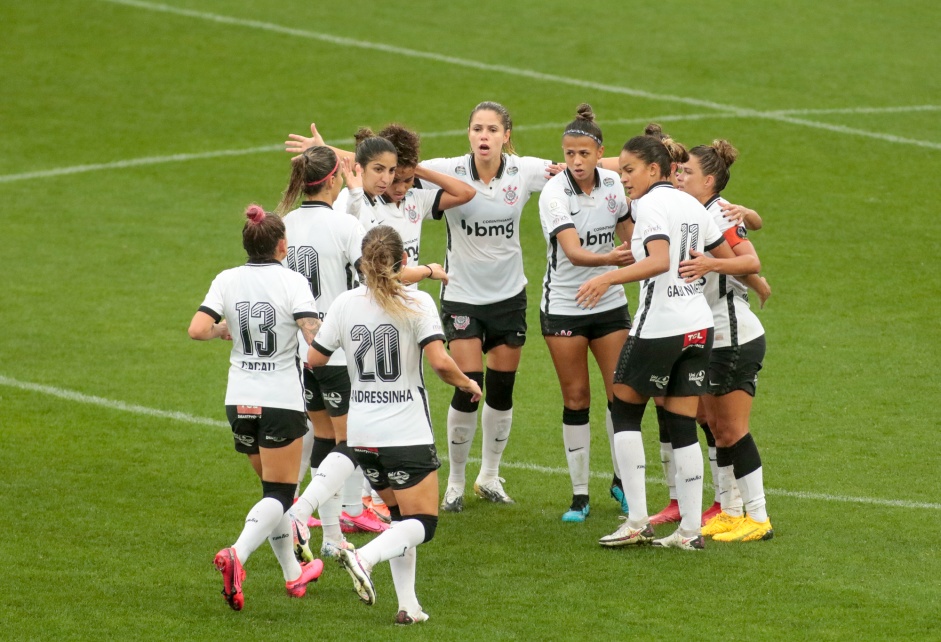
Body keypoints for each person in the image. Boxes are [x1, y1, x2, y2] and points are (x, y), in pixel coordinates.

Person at [577, 134, 759, 550]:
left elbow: (659, 261)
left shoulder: (654, 205)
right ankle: (690, 531)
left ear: (654, 170)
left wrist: (605, 277)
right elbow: (736, 257)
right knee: (681, 424)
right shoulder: (692, 204)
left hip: (660, 326)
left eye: (629, 170)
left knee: (623, 409)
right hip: (699, 327)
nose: (623, 178)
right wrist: (712, 264)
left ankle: (637, 521)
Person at [307, 225, 482, 624]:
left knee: (401, 521)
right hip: (406, 432)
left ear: (362, 266)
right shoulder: (416, 302)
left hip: (362, 435)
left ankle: (409, 606)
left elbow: (315, 359)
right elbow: (439, 362)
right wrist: (468, 382)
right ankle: (364, 557)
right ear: (404, 262)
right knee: (424, 523)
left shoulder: (344, 304)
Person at [422, 101, 559, 510]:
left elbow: (578, 166)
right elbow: (387, 163)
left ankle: (490, 476)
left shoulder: (524, 170)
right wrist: (339, 155)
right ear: (468, 134)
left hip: (508, 297)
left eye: (492, 129)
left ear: (506, 137)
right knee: (468, 389)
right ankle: (457, 483)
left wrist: (649, 157)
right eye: (477, 128)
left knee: (501, 391)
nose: (484, 136)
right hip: (462, 295)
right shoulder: (447, 169)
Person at [188, 204, 325, 611]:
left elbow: (197, 330)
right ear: (282, 245)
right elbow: (312, 335)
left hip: (238, 401)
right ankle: (237, 554)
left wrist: (222, 330)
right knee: (282, 493)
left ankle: (292, 574)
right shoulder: (293, 281)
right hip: (280, 401)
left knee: (272, 495)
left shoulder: (227, 279)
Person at [276, 144, 394, 561]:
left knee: (325, 439)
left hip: (301, 356)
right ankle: (303, 514)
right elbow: (375, 274)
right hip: (340, 354)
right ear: (333, 180)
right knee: (350, 443)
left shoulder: (285, 224)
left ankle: (329, 536)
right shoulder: (344, 226)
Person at [537, 104, 633, 522]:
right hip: (564, 307)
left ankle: (621, 480)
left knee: (622, 395)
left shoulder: (614, 184)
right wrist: (612, 260)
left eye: (583, 154)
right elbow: (573, 252)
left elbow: (630, 236)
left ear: (600, 153)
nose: (575, 161)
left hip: (610, 303)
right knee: (576, 397)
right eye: (569, 153)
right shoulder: (554, 194)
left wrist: (630, 260)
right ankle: (579, 495)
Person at [675, 140, 774, 542]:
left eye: (686, 173)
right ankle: (731, 511)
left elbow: (750, 259)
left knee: (732, 429)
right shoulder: (692, 210)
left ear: (710, 180)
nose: (679, 178)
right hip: (709, 335)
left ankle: (759, 517)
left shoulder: (720, 212)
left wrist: (712, 263)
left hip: (734, 336)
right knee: (714, 425)